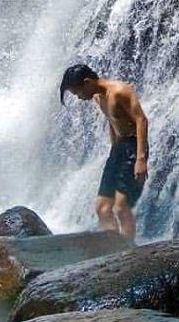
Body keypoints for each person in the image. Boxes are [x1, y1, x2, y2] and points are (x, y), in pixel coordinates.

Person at [59, 63, 149, 240]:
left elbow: (141, 120)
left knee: (121, 208)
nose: (79, 98)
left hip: (133, 147)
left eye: (78, 93)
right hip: (118, 149)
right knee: (102, 207)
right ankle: (113, 248)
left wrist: (141, 158)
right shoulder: (98, 97)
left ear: (87, 82)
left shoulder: (120, 91)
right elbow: (112, 120)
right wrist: (113, 148)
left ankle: (127, 251)